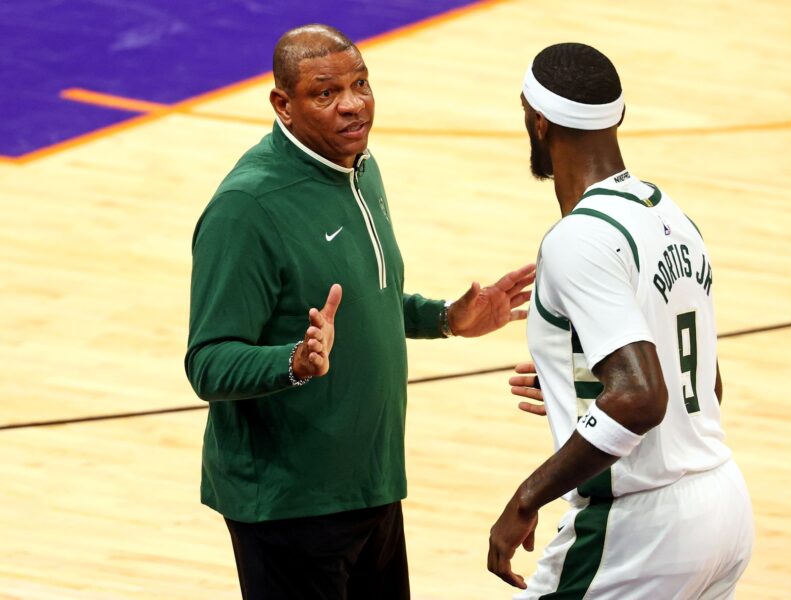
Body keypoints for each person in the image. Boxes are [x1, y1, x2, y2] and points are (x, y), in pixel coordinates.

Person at [185, 24, 534, 600]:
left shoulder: (358, 168)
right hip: (288, 505)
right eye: (325, 93)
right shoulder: (246, 209)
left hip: (370, 484)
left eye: (361, 84)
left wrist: (447, 317)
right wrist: (293, 363)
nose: (353, 105)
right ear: (284, 105)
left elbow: (370, 302)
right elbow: (208, 361)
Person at [487, 43, 754, 598]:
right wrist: (579, 383)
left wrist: (525, 498)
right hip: (723, 505)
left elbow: (639, 397)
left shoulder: (577, 238)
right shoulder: (671, 215)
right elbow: (704, 383)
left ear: (537, 121)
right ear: (619, 116)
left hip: (641, 528)